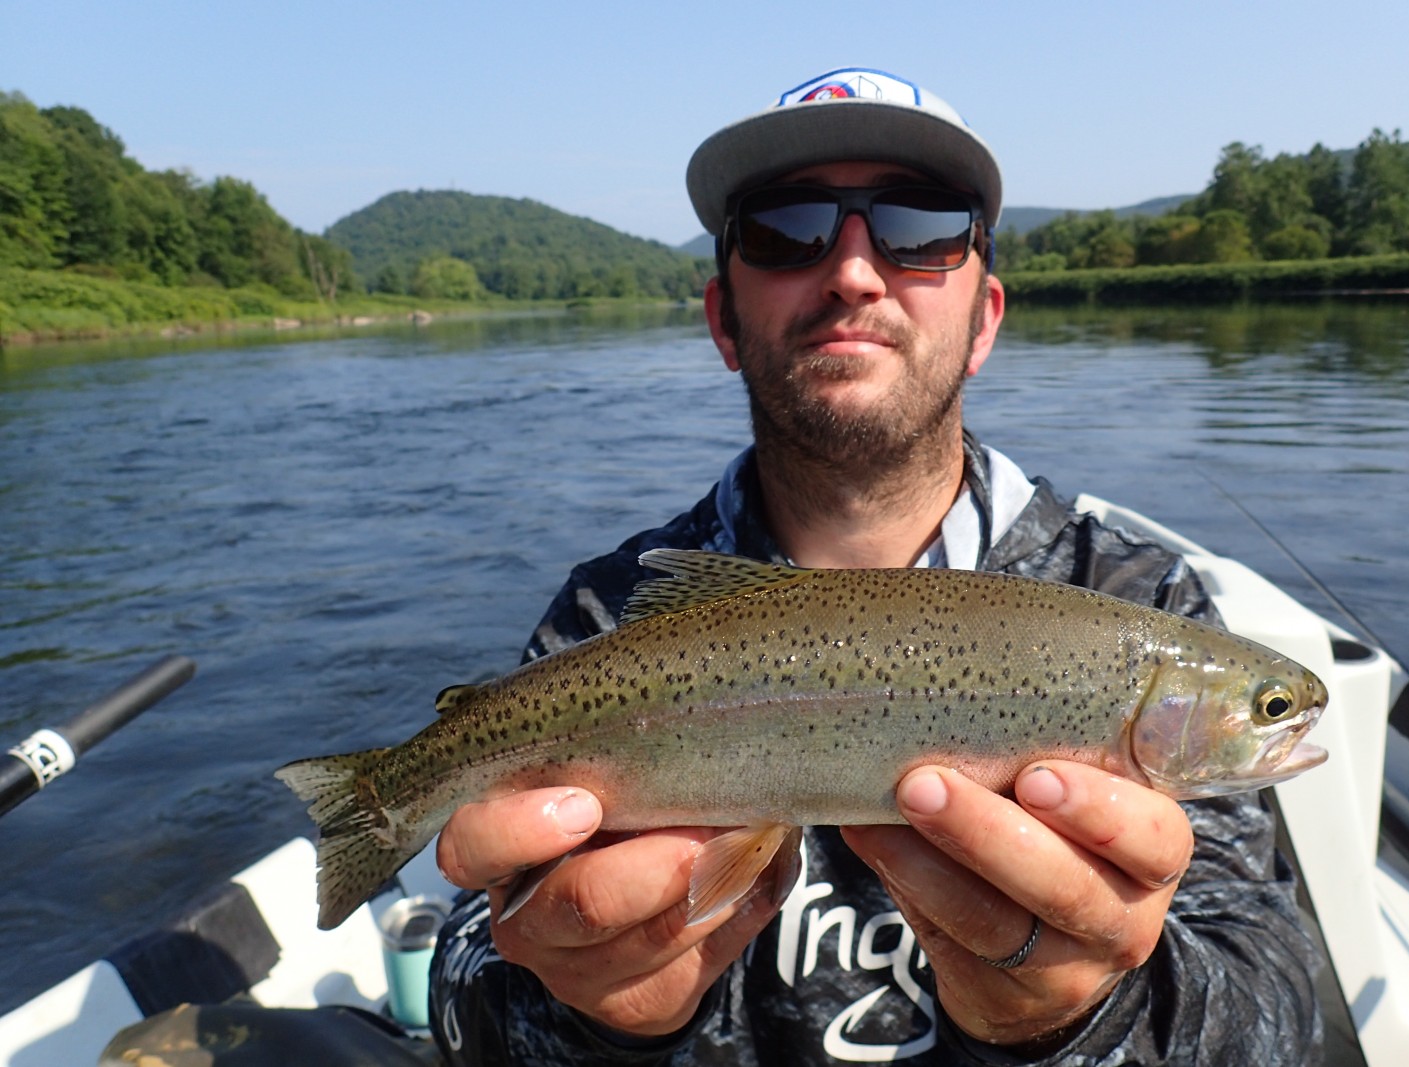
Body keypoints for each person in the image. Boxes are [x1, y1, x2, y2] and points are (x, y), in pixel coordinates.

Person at [427, 68, 1323, 1065]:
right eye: (785, 227)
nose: (854, 271)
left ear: (984, 318)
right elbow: (466, 985)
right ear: (724, 319)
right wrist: (589, 1011)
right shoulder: (612, 613)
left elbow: (1275, 1003)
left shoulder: (1131, 596)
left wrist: (1079, 1015)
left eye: (917, 224)